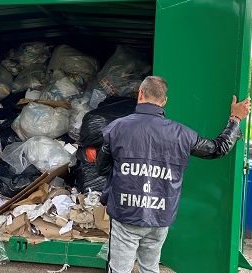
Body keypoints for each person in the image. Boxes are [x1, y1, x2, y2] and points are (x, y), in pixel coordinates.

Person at [96, 76, 250, 273]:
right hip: (160, 215)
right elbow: (217, 149)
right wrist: (235, 119)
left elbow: (101, 167)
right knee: (150, 267)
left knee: (119, 269)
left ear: (140, 94)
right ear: (164, 101)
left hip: (125, 213)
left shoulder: (116, 128)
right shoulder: (182, 134)